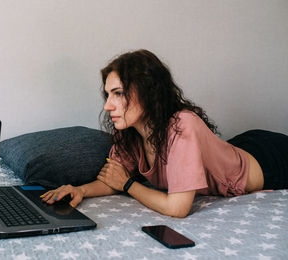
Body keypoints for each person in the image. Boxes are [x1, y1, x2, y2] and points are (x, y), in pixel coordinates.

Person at [40, 49, 288, 218]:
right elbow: (110, 179)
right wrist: (81, 190)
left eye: (119, 93)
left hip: (270, 160)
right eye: (108, 95)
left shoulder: (182, 125)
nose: (108, 105)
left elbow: (177, 208)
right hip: (238, 148)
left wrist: (128, 185)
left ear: (146, 91)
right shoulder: (131, 132)